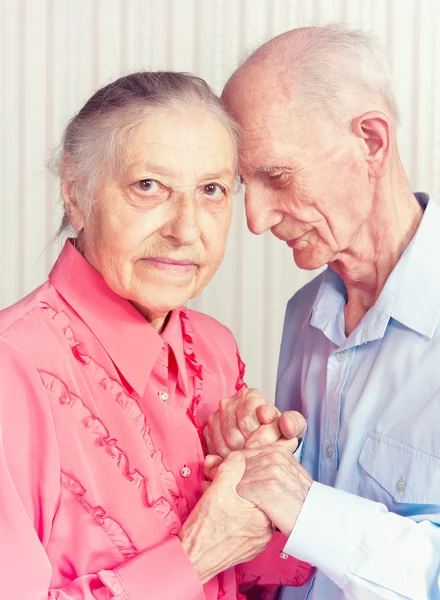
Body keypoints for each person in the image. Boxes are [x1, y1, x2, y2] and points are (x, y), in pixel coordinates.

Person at [0, 72, 312, 599]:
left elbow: (247, 580)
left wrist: (265, 484)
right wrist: (194, 556)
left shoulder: (215, 349)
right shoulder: (14, 369)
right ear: (76, 192)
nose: (187, 229)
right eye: (149, 186)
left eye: (211, 190)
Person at [204, 25, 440, 599]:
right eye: (243, 187)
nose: (255, 221)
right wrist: (254, 458)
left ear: (371, 142)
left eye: (277, 177)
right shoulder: (305, 314)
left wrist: (307, 506)